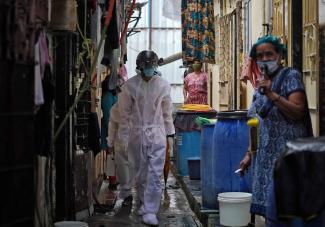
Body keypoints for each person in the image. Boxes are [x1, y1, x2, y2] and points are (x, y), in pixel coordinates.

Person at [239, 35, 313, 226]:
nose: (264, 59)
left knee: (288, 213)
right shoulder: (259, 85)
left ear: (279, 55)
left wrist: (272, 94)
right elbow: (255, 122)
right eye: (260, 56)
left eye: (269, 54)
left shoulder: (290, 76)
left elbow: (298, 111)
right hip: (265, 160)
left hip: (287, 159)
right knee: (272, 215)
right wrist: (249, 153)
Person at [117, 50, 175, 225]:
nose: (149, 70)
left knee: (156, 173)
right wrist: (123, 137)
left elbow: (167, 112)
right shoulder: (130, 86)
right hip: (136, 133)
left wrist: (169, 134)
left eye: (151, 67)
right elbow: (125, 114)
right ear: (139, 68)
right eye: (146, 67)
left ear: (156, 67)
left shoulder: (163, 85)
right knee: (140, 171)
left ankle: (151, 210)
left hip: (156, 133)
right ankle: (145, 202)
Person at [107, 101, 133, 206]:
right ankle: (128, 195)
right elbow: (112, 126)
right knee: (123, 171)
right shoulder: (115, 108)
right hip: (121, 143)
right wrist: (110, 144)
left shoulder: (141, 105)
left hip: (134, 142)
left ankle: (141, 196)